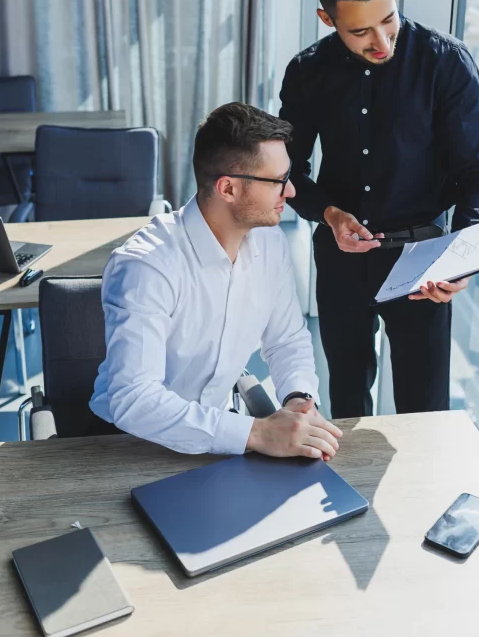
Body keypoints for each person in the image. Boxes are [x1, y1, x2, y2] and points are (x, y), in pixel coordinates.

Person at [279, 0, 479, 419]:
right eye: (360, 31)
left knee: (425, 415)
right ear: (327, 20)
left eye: (389, 20)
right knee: (347, 404)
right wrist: (329, 214)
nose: (382, 42)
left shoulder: (445, 62)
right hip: (340, 259)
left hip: (424, 263)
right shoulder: (306, 72)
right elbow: (289, 172)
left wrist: (460, 256)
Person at [90, 102, 342, 460]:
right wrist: (257, 432)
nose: (291, 193)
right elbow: (134, 398)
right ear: (228, 189)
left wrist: (298, 400)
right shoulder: (147, 266)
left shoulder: (270, 243)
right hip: (131, 446)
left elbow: (286, 339)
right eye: (278, 181)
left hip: (221, 442)